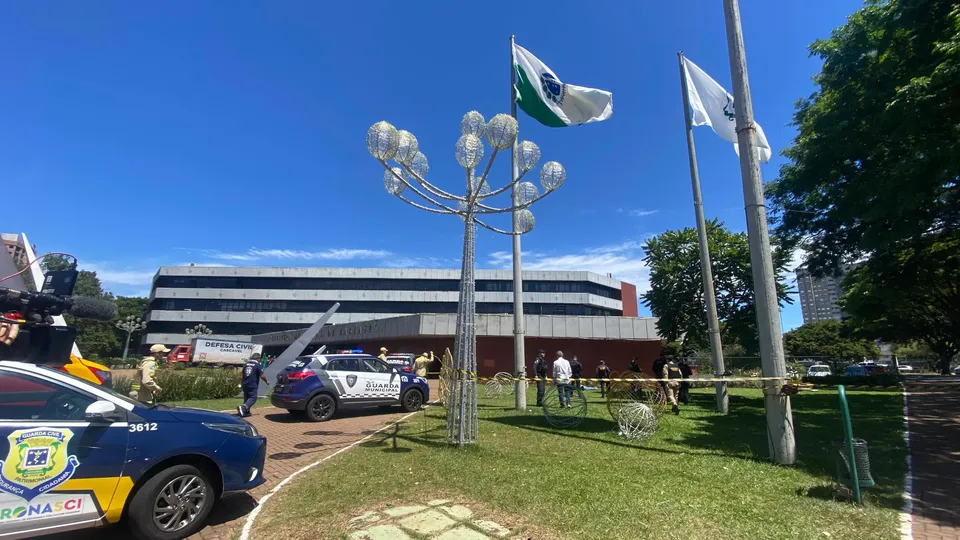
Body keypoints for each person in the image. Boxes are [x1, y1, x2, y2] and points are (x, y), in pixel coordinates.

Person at [238, 353, 269, 417]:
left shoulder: (246, 364)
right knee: (253, 398)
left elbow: (242, 375)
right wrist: (266, 381)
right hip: (252, 383)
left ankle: (246, 412)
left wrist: (240, 383)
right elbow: (262, 376)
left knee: (247, 398)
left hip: (244, 383)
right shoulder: (257, 365)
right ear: (258, 359)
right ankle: (243, 407)